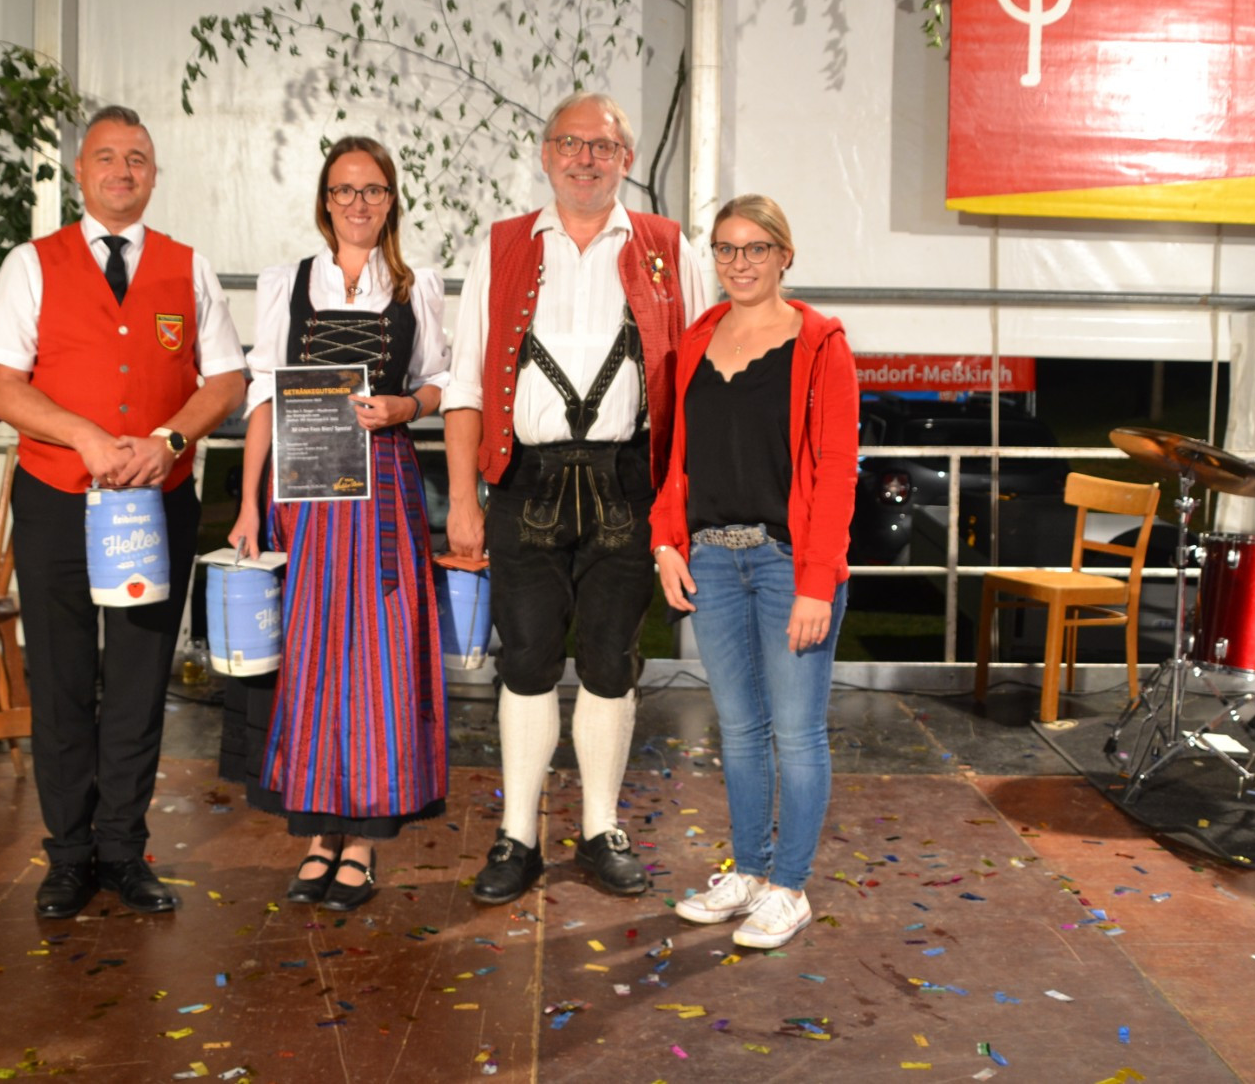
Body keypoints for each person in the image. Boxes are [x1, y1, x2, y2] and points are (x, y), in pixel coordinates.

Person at [443, 91, 705, 904]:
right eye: (570, 143)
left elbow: (697, 384)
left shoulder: (671, 247)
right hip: (526, 478)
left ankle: (599, 827)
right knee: (524, 658)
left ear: (627, 158)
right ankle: (517, 834)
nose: (585, 158)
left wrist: (681, 506)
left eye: (602, 145)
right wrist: (463, 499)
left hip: (629, 480)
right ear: (546, 153)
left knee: (610, 658)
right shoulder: (501, 246)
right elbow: (465, 382)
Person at [0, 106, 247, 919]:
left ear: (154, 174)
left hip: (155, 504)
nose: (122, 171)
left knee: (137, 681)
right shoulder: (30, 264)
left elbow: (226, 380)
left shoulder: (188, 266)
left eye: (137, 158)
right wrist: (83, 435)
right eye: (106, 156)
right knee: (62, 677)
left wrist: (170, 439)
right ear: (80, 172)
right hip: (58, 500)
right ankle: (68, 856)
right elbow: (4, 389)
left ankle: (125, 849)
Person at [221, 136, 452, 912]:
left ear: (391, 201)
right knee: (312, 653)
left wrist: (404, 406)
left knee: (379, 656)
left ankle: (363, 840)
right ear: (325, 200)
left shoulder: (416, 287)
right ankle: (320, 834)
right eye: (345, 189)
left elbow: (441, 383)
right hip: (306, 491)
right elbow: (262, 396)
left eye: (373, 189)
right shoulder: (287, 282)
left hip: (383, 488)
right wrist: (248, 503)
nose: (359, 202)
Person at [652, 195, 858, 950]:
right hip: (710, 558)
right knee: (739, 731)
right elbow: (674, 454)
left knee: (796, 734)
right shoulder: (696, 339)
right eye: (726, 248)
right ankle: (748, 871)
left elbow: (836, 469)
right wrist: (666, 543)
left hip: (785, 565)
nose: (739, 262)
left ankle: (789, 887)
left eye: (756, 248)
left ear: (784, 254)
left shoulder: (821, 343)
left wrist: (816, 581)